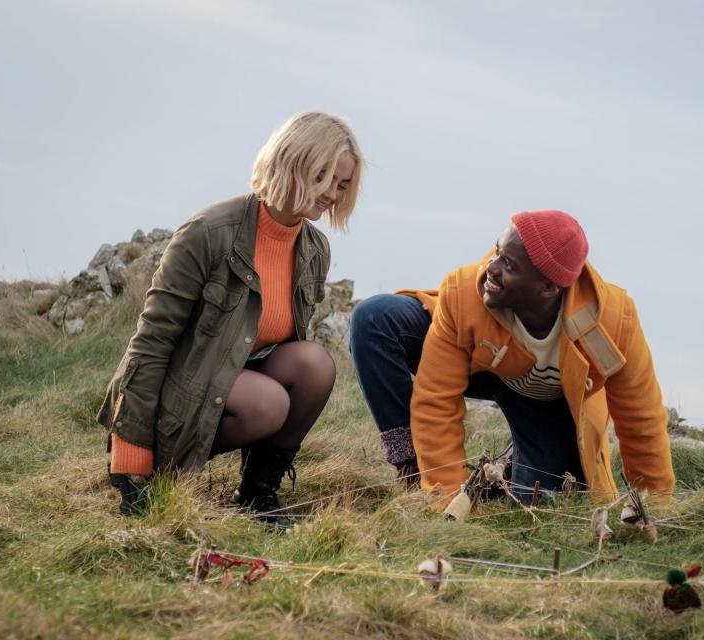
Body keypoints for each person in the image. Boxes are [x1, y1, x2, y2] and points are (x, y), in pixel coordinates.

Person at [98, 111, 363, 531]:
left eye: (343, 184)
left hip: (238, 384)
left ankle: (258, 491)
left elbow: (282, 345)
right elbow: (151, 341)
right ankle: (165, 470)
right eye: (324, 176)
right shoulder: (209, 231)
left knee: (314, 363)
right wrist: (130, 454)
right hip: (183, 395)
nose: (333, 193)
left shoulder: (314, 248)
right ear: (292, 162)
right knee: (269, 403)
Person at [350, 210, 674, 507]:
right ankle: (412, 468)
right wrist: (444, 498)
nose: (491, 268)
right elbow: (436, 401)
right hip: (479, 367)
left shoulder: (613, 321)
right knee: (375, 317)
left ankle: (502, 473)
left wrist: (653, 504)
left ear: (547, 288)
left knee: (542, 504)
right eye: (497, 252)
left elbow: (640, 418)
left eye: (510, 265)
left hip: (547, 403)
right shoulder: (464, 292)